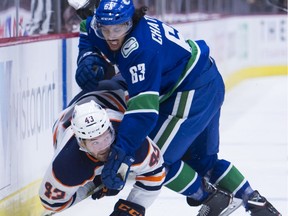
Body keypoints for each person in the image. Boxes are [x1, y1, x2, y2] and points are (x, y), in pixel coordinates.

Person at [73, 1, 282, 215]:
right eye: (105, 29)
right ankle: (257, 204)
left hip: (191, 92)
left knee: (155, 160)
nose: (111, 35)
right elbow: (87, 29)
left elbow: (143, 112)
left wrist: (121, 154)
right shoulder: (103, 26)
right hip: (203, 81)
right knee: (203, 162)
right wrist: (88, 57)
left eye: (118, 28)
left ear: (131, 22)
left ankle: (211, 198)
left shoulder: (140, 49)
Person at [39, 89, 166, 216]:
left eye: (106, 137)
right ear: (82, 144)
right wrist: (93, 184)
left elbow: (156, 172)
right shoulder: (67, 163)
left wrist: (133, 207)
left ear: (111, 128)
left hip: (111, 93)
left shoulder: (127, 134)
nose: (105, 147)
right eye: (95, 143)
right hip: (65, 120)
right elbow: (52, 204)